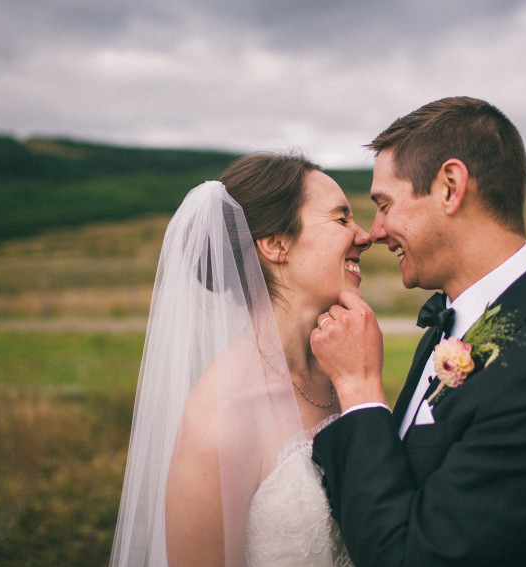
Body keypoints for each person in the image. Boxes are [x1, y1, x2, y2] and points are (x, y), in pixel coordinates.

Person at [310, 96, 526, 566]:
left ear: (451, 187)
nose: (376, 231)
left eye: (385, 205)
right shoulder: (453, 326)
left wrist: (360, 390)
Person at [110, 152, 370, 566]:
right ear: (275, 244)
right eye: (342, 219)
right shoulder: (220, 419)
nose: (365, 235)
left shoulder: (348, 371)